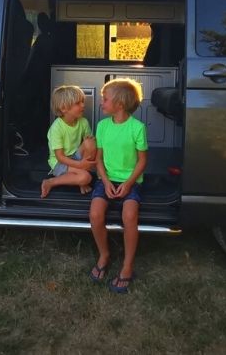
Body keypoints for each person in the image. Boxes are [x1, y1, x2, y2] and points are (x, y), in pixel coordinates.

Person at [88, 78, 148, 293]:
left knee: (130, 216)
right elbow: (99, 159)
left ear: (120, 105)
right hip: (106, 179)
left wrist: (128, 183)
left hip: (130, 180)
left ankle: (127, 266)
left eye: (105, 100)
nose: (101, 103)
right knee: (95, 215)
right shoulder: (102, 126)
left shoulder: (137, 128)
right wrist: (104, 181)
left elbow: (142, 161)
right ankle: (104, 254)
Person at [41, 86, 97, 198]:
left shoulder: (83, 122)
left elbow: (90, 145)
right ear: (63, 108)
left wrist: (81, 163)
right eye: (78, 103)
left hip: (75, 156)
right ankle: (50, 182)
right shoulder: (56, 128)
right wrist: (81, 165)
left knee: (90, 142)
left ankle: (79, 178)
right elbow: (60, 157)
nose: (83, 105)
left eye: (82, 102)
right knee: (86, 178)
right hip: (60, 162)